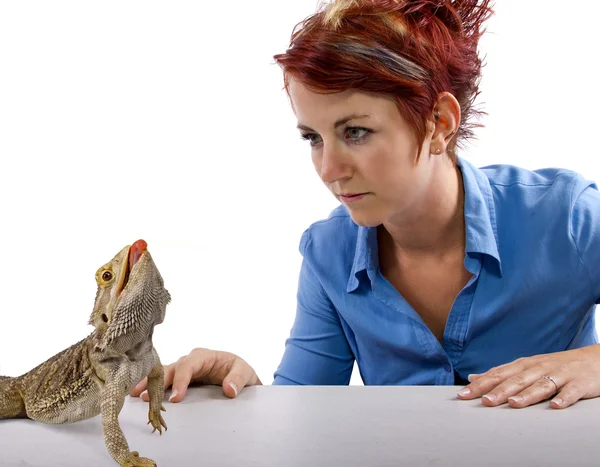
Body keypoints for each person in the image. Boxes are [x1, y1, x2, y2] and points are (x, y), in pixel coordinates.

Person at [131, 0, 600, 409]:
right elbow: (304, 409)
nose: (329, 169)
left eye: (355, 131)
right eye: (313, 137)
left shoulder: (566, 218)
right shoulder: (328, 252)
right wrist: (243, 388)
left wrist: (593, 364)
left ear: (439, 122)